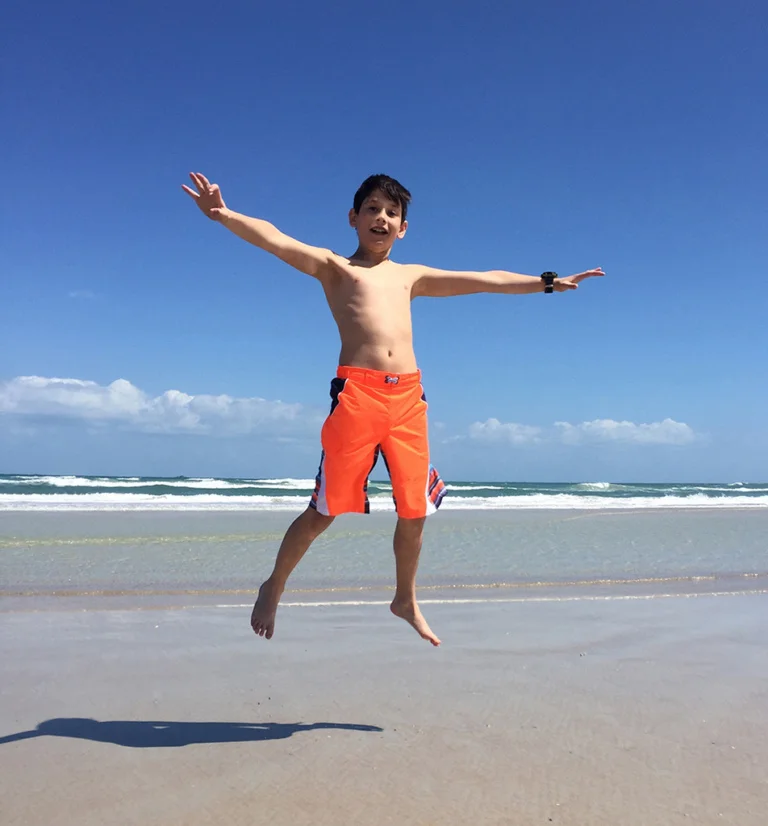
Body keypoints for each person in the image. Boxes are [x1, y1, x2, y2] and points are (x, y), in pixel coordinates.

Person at [183, 172, 604, 646]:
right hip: (357, 396)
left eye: (392, 212)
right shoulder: (334, 267)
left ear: (403, 227)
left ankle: (405, 598)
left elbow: (486, 281)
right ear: (353, 218)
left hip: (407, 399)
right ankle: (274, 584)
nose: (381, 218)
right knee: (324, 510)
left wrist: (548, 282)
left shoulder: (411, 277)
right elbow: (276, 240)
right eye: (372, 209)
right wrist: (223, 213)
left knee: (416, 507)